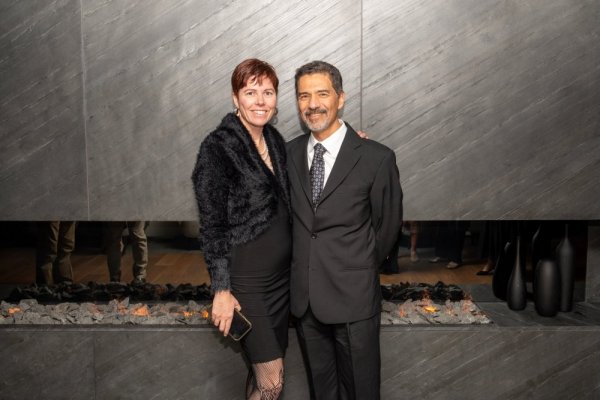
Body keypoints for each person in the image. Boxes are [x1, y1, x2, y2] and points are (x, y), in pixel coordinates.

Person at [287, 61, 403, 399]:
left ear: (341, 98)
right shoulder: (289, 154)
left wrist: (357, 265)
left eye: (322, 93)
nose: (312, 104)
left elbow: (387, 227)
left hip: (354, 299)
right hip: (306, 302)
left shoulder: (376, 157)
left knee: (361, 392)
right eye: (303, 96)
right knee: (320, 392)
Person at [191, 59, 291, 399]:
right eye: (251, 92)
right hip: (248, 283)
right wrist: (221, 289)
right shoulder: (217, 147)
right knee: (272, 380)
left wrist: (355, 139)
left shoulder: (275, 140)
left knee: (260, 374)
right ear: (235, 98)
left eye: (268, 92)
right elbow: (212, 226)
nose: (260, 101)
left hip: (281, 282)